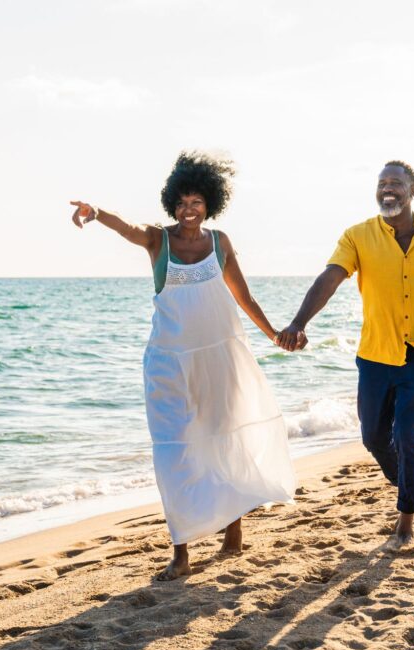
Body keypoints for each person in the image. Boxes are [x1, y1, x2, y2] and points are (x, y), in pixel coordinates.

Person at [69, 151, 295, 580]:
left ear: (210, 203)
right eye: (182, 203)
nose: (189, 210)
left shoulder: (220, 243)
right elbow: (129, 228)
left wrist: (273, 336)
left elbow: (244, 298)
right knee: (176, 453)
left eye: (197, 202)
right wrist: (96, 213)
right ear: (171, 204)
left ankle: (233, 531)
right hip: (168, 364)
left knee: (224, 441)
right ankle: (181, 551)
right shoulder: (160, 241)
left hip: (219, 358)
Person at [276, 160, 414, 548]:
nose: (388, 189)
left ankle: (406, 520)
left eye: (396, 183)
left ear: (412, 191)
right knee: (373, 436)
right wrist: (300, 322)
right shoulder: (357, 236)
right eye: (382, 183)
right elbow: (330, 278)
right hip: (375, 353)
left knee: (408, 431)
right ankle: (407, 481)